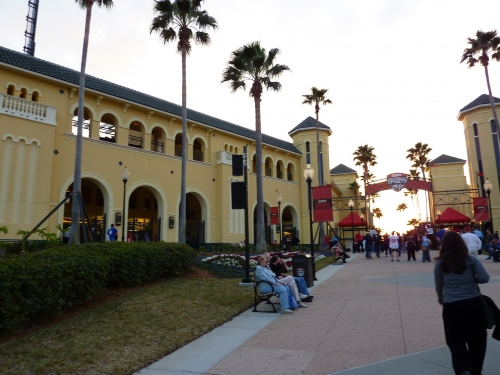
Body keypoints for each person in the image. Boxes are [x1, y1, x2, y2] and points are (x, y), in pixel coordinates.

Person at [434, 230, 490, 375]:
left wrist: (441, 298)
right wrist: (472, 280)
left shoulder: (440, 262)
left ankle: (463, 369)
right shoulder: (471, 260)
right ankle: (476, 370)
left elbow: (439, 284)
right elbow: (485, 278)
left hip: (452, 306)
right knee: (477, 340)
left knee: (455, 341)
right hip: (473, 303)